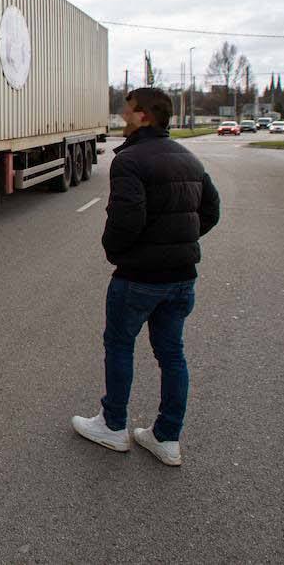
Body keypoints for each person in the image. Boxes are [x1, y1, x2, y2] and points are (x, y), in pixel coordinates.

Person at [72, 87, 220, 467]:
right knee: (172, 355)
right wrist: (178, 240)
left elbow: (127, 219)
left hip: (139, 277)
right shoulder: (189, 158)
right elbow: (211, 211)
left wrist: (116, 252)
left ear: (143, 116)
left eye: (127, 110)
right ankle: (167, 438)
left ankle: (114, 426)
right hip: (182, 277)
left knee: (120, 345)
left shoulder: (131, 160)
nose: (122, 116)